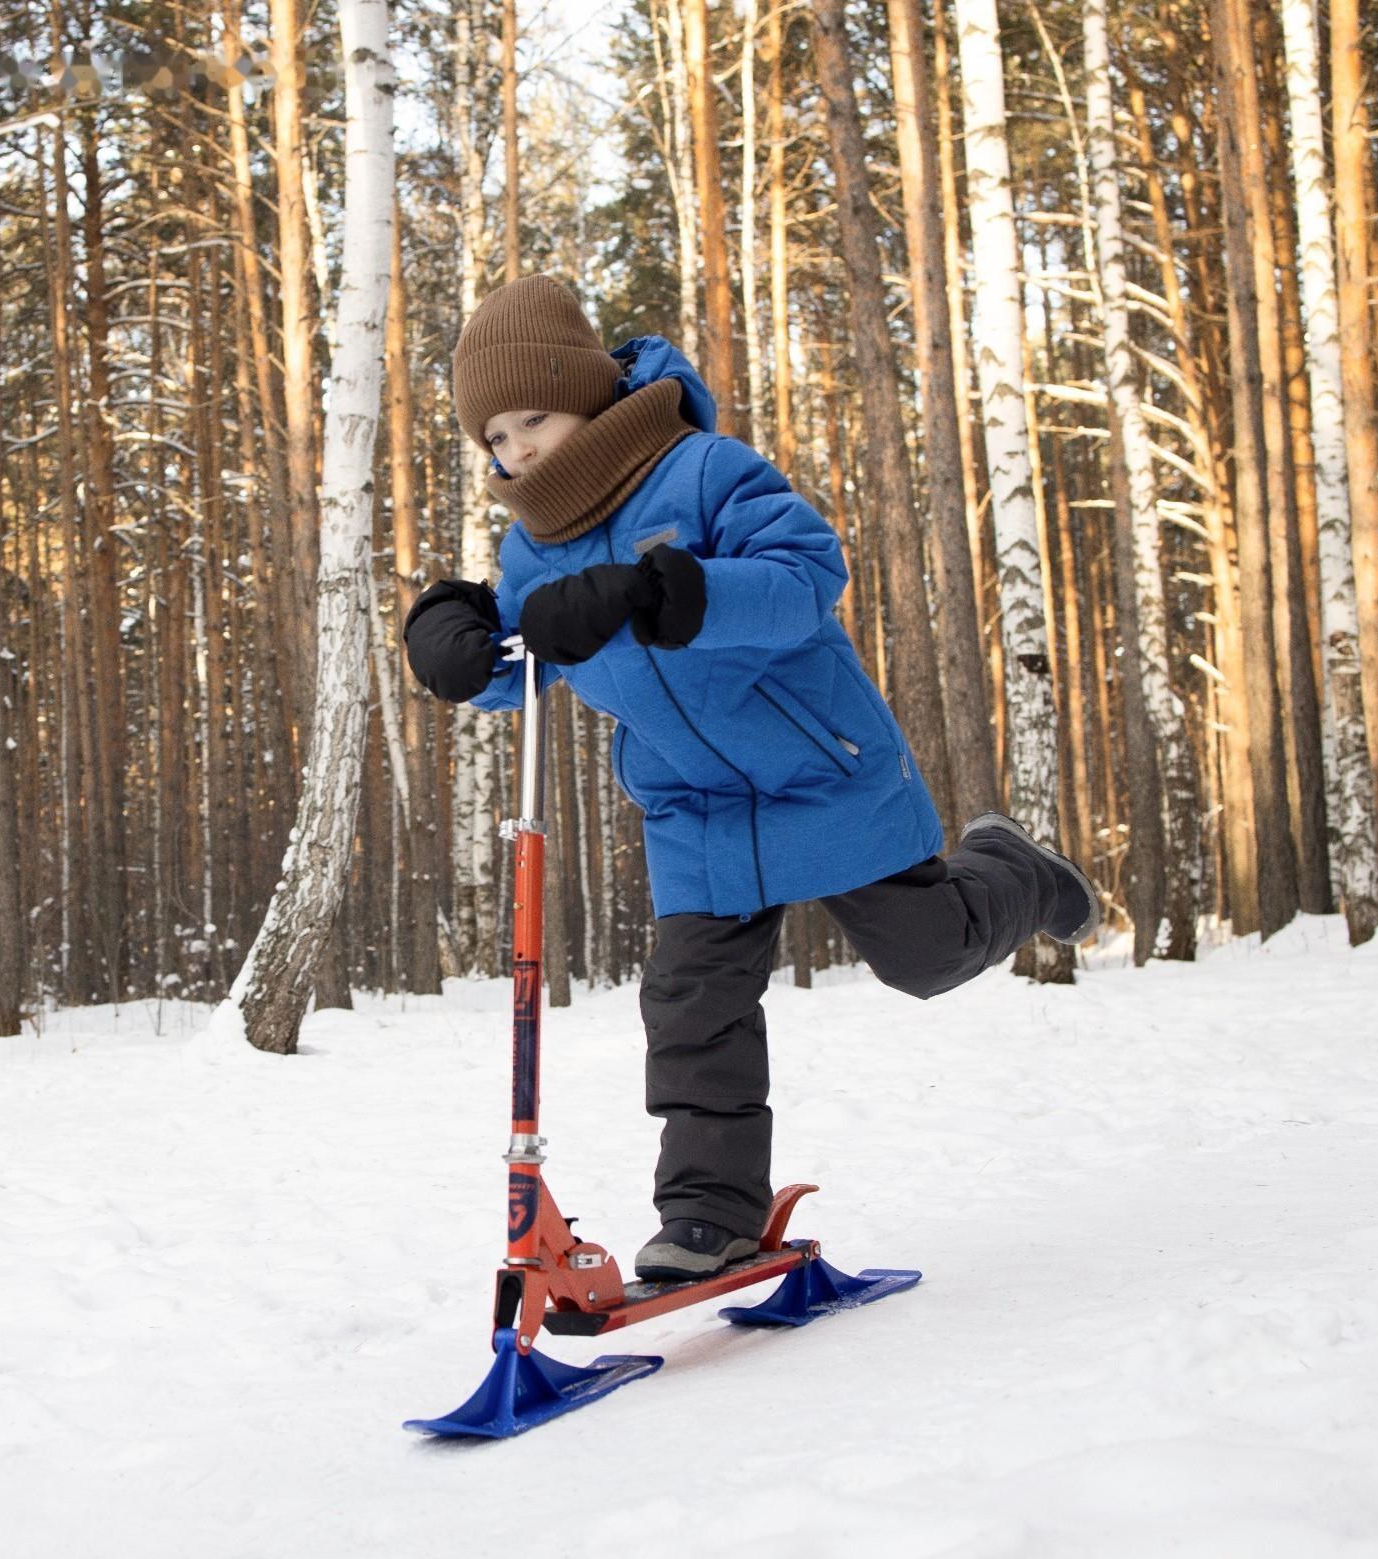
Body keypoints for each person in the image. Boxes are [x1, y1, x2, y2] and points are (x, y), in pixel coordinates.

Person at [404, 275, 1098, 1282]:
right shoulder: (529, 549)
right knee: (691, 1003)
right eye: (495, 437)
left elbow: (804, 577)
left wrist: (659, 592)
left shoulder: (699, 471)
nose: (514, 451)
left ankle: (1011, 870)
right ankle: (706, 1213)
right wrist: (456, 635)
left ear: (589, 396)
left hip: (820, 767)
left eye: (532, 419)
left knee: (924, 954)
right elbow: (528, 666)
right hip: (694, 808)